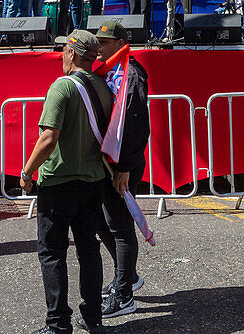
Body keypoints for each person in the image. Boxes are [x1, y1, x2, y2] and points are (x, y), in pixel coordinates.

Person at [19, 30, 112, 334]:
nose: (61, 55)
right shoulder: (102, 86)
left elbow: (48, 137)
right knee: (89, 248)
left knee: (52, 253)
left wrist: (27, 171)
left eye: (63, 51)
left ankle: (58, 323)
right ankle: (93, 316)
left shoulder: (62, 87)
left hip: (59, 182)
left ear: (72, 54)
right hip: (93, 181)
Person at [94, 21, 150, 319]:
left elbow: (136, 121)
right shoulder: (109, 69)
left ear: (119, 43)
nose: (99, 47)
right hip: (110, 160)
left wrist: (125, 166)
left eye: (104, 42)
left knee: (119, 226)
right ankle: (126, 276)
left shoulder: (132, 72)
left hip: (123, 163)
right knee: (104, 221)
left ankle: (125, 293)